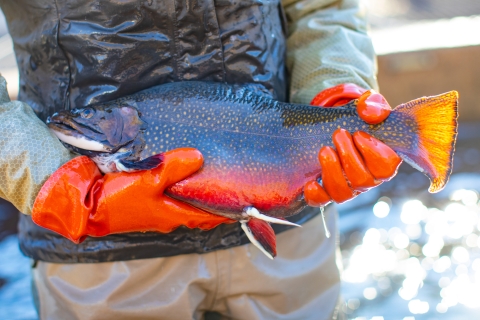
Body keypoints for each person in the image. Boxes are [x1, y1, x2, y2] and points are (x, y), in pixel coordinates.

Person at [0, 0, 400, 318]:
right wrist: (45, 180)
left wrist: (334, 94)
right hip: (97, 261)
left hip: (290, 226)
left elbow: (323, 5)